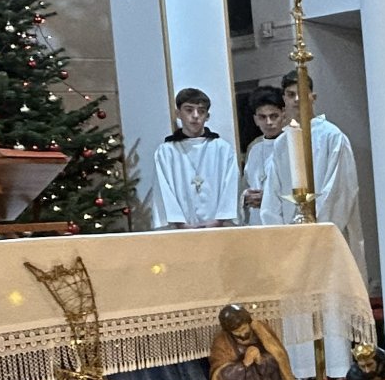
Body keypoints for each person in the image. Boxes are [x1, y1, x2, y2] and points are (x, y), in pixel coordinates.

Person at [259, 71, 367, 279]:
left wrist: (314, 231)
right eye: (291, 94)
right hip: (291, 239)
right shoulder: (282, 143)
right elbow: (273, 194)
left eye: (301, 93)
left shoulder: (332, 136)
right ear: (284, 99)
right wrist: (280, 234)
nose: (296, 99)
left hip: (326, 235)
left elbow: (339, 190)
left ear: (313, 97)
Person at [150, 87, 240, 229]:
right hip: (180, 230)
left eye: (201, 111)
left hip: (217, 228)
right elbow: (163, 190)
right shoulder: (166, 151)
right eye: (189, 110)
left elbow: (231, 186)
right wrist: (180, 224)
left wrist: (218, 221)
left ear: (207, 116)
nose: (195, 115)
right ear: (178, 114)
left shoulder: (222, 149)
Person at [241, 88, 286, 225]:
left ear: (283, 114)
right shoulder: (254, 148)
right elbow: (245, 184)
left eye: (274, 116)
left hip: (283, 220)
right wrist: (246, 197)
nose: (269, 122)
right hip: (256, 220)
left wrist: (268, 199)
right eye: (262, 117)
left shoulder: (291, 144)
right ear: (255, 120)